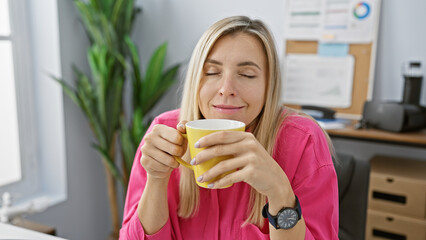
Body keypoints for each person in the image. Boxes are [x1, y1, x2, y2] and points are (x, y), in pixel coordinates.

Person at [119, 16, 339, 239]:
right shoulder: (165, 132)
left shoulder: (303, 140)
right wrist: (156, 180)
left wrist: (279, 191)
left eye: (246, 75)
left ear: (268, 85)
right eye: (212, 72)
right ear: (196, 79)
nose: (226, 89)